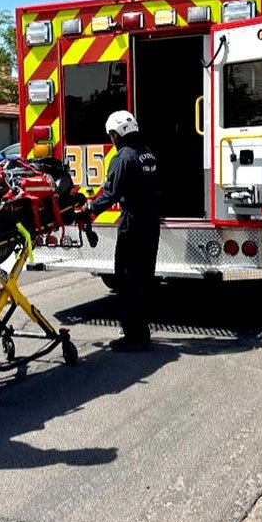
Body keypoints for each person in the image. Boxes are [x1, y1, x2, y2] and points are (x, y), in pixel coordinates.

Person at [83, 110, 160, 351]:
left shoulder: (123, 157)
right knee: (144, 279)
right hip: (151, 222)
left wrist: (89, 209)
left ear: (117, 134)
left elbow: (111, 192)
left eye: (111, 135)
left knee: (126, 279)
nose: (111, 139)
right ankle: (142, 331)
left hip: (134, 223)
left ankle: (133, 337)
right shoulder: (147, 154)